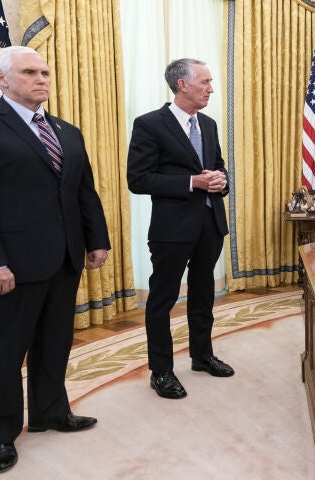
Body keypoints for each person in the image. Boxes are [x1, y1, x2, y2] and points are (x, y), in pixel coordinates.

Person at [0, 46, 110, 474]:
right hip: (6, 267)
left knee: (54, 344)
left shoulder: (67, 131)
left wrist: (96, 240)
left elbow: (83, 191)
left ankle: (51, 411)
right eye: (30, 72)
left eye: (45, 72)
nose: (42, 79)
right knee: (1, 354)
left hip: (63, 259)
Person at [127, 58, 233, 399]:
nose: (211, 89)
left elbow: (218, 167)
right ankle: (161, 371)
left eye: (211, 82)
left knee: (203, 294)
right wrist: (192, 182)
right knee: (162, 300)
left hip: (210, 224)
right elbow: (138, 179)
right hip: (171, 229)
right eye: (205, 82)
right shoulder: (149, 124)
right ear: (182, 84)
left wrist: (221, 180)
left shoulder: (209, 124)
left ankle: (202, 356)